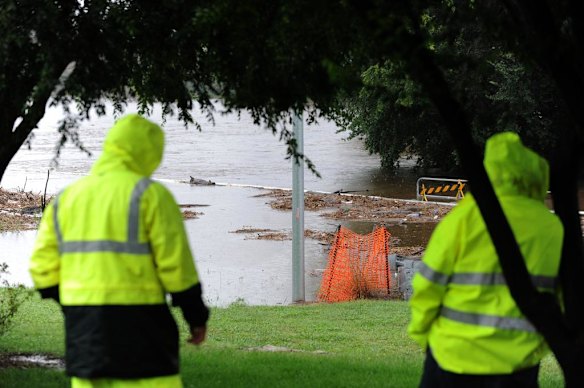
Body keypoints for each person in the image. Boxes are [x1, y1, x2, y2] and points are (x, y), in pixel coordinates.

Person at [30, 114, 209, 388]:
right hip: (144, 325)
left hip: (85, 326)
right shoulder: (152, 196)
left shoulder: (66, 198)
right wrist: (196, 318)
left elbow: (42, 270)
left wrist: (73, 306)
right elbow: (177, 268)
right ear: (151, 152)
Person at [408, 132, 563, 387]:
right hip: (519, 366)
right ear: (536, 175)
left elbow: (427, 286)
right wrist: (538, 347)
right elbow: (563, 302)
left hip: (451, 358)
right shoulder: (553, 229)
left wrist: (425, 337)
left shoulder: (463, 219)